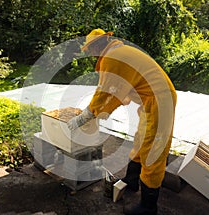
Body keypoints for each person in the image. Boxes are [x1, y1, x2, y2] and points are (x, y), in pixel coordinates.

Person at [67, 28, 177, 215]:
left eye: (91, 49)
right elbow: (119, 91)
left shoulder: (113, 57)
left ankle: (148, 207)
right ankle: (132, 180)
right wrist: (96, 111)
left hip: (160, 101)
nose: (92, 54)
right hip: (152, 100)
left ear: (97, 46)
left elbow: (105, 93)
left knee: (153, 150)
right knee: (141, 139)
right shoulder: (118, 52)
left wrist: (86, 115)